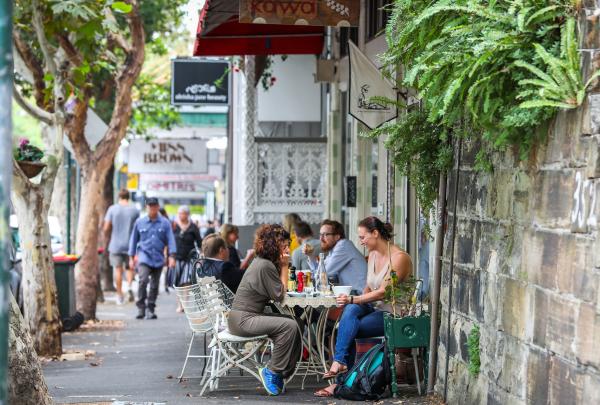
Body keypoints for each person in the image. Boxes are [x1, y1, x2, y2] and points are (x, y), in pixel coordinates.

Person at [314, 216, 412, 398]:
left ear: (375, 233)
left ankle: (341, 380)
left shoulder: (400, 258)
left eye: (362, 237)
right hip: (374, 308)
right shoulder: (373, 255)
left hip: (393, 314)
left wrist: (353, 300)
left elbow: (383, 292)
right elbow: (368, 287)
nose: (360, 242)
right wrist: (354, 302)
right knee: (350, 313)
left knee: (351, 327)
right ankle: (341, 364)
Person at [228, 224, 302, 396]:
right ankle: (273, 371)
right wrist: (284, 266)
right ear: (273, 244)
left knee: (297, 322)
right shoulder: (265, 265)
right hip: (243, 320)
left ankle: (282, 373)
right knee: (289, 326)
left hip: (244, 317)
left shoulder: (262, 262)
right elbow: (279, 296)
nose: (286, 247)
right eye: (283, 243)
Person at [128, 197, 176, 320]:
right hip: (144, 256)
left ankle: (150, 308)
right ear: (147, 207)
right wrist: (131, 257)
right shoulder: (140, 222)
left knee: (155, 285)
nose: (152, 208)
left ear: (157, 207)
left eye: (154, 206)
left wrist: (172, 257)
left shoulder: (165, 223)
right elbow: (133, 240)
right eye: (150, 206)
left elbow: (171, 241)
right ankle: (141, 308)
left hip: (159, 257)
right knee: (143, 280)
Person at [304, 219, 367, 293]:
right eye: (320, 234)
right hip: (349, 295)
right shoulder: (333, 250)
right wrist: (311, 256)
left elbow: (322, 275)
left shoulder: (343, 246)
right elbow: (319, 272)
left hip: (360, 296)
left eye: (325, 234)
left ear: (337, 236)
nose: (321, 238)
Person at [103, 189, 140, 305]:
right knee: (130, 268)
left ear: (118, 197)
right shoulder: (135, 210)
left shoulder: (112, 209)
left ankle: (119, 295)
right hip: (130, 244)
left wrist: (108, 235)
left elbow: (106, 227)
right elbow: (138, 228)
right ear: (128, 197)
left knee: (118, 270)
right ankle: (129, 286)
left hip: (115, 245)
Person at [172, 206, 202, 312]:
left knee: (186, 281)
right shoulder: (174, 225)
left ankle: (184, 304)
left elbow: (199, 242)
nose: (182, 215)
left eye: (184, 213)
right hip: (176, 257)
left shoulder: (193, 227)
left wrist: (201, 256)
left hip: (189, 257)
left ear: (188, 215)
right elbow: (169, 241)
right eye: (180, 213)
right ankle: (179, 304)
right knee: (178, 282)